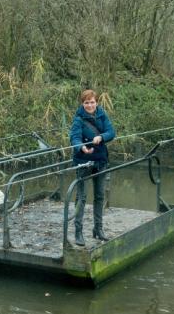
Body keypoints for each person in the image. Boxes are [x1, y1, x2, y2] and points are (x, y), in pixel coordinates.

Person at [69, 89, 116, 246]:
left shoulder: (102, 115)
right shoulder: (78, 120)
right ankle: (78, 232)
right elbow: (74, 139)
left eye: (92, 102)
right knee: (81, 197)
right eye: (86, 102)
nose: (90, 105)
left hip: (101, 161)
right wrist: (82, 147)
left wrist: (101, 137)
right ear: (83, 104)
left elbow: (111, 132)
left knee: (100, 195)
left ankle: (98, 229)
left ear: (97, 102)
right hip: (83, 162)